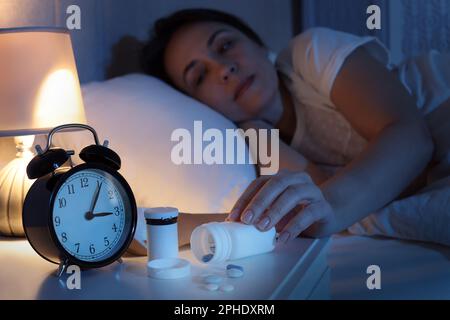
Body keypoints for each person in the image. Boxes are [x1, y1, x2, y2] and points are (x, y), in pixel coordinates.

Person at [141, 8, 450, 245]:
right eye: (200, 76)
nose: (224, 69)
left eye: (224, 46)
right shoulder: (257, 143)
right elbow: (313, 208)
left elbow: (412, 139)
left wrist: (325, 208)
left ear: (260, 46)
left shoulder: (310, 52)